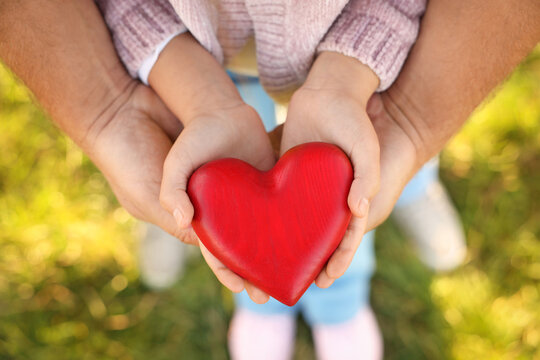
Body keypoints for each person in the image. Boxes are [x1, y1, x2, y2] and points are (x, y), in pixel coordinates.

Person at [0, 0, 538, 357]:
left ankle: (347, 294)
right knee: (215, 191)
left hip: (369, 67)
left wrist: (411, 124)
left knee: (357, 181)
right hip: (192, 68)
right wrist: (182, 94)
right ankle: (253, 297)